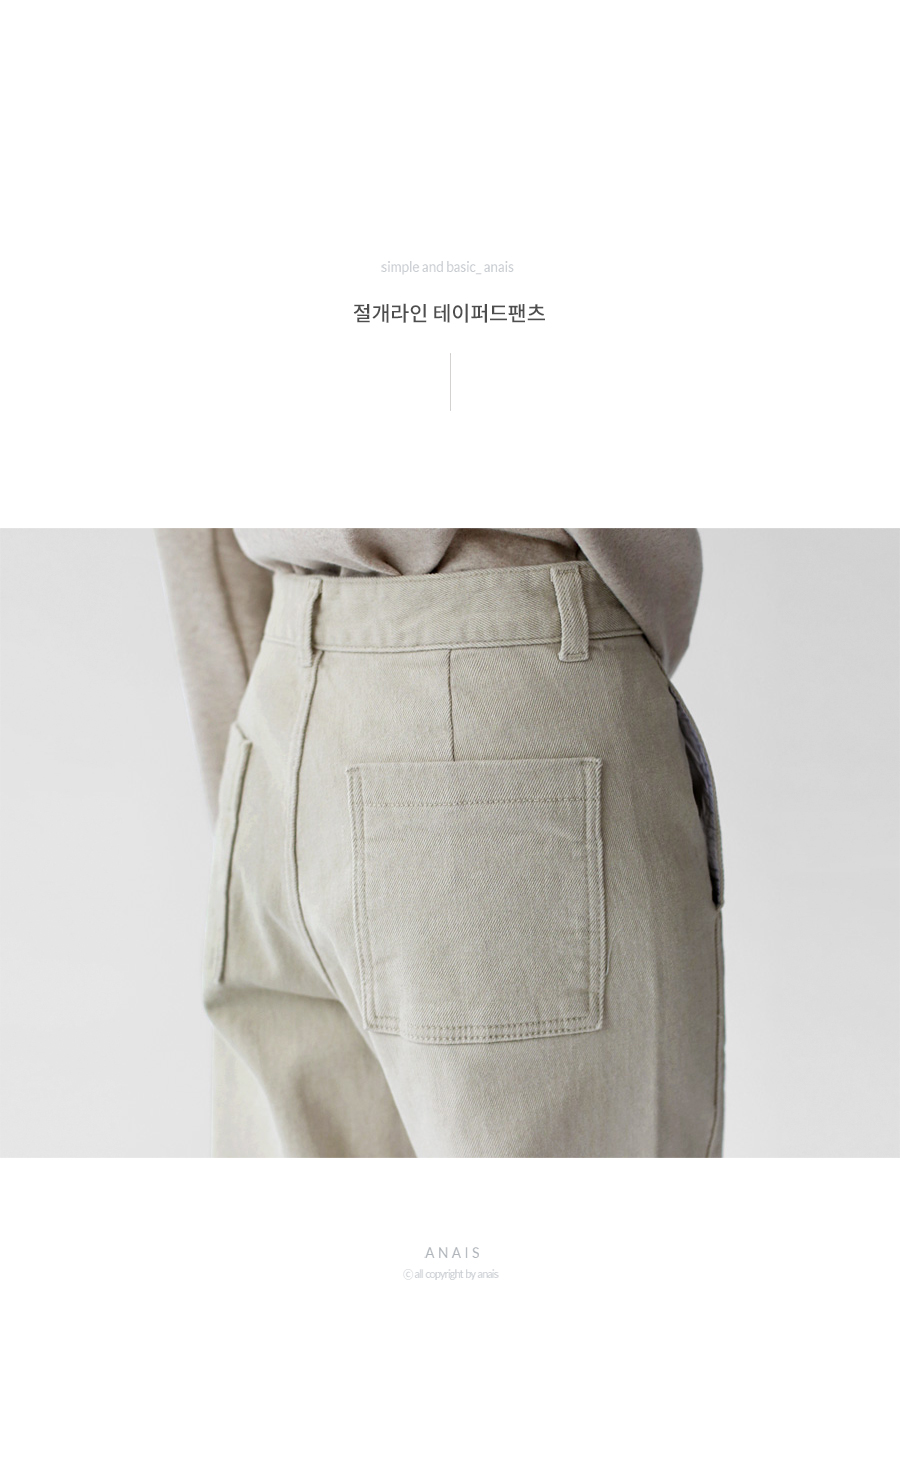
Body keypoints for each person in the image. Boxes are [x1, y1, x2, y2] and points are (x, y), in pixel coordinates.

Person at [156, 528, 725, 1157]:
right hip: (508, 681)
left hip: (282, 706)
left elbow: (199, 535)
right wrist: (623, 639)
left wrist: (251, 777)